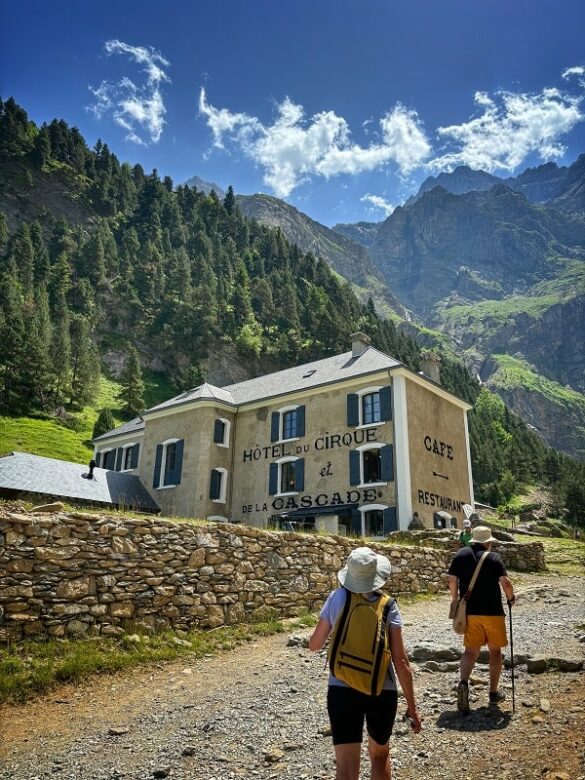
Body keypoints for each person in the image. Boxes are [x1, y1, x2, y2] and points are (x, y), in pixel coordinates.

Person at [309, 547, 421, 780]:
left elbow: (315, 644)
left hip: (341, 688)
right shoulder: (389, 606)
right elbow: (401, 661)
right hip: (381, 689)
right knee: (379, 757)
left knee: (347, 768)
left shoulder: (337, 597)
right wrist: (412, 707)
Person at [448, 526, 515, 713]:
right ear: (488, 542)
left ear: (473, 540)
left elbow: (452, 580)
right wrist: (511, 598)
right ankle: (493, 694)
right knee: (495, 652)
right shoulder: (494, 558)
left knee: (470, 651)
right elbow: (506, 583)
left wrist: (455, 600)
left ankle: (463, 685)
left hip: (470, 611)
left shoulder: (461, 555)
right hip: (493, 612)